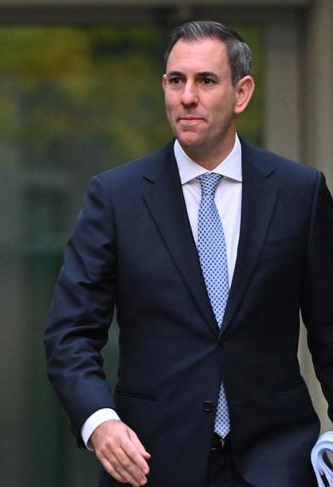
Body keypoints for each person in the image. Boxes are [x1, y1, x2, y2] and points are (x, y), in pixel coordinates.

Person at [44, 20, 333, 487]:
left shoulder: (300, 192)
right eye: (176, 80)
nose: (187, 97)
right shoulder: (116, 197)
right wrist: (100, 422)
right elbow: (70, 334)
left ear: (242, 93)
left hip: (278, 463)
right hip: (150, 462)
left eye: (205, 81)